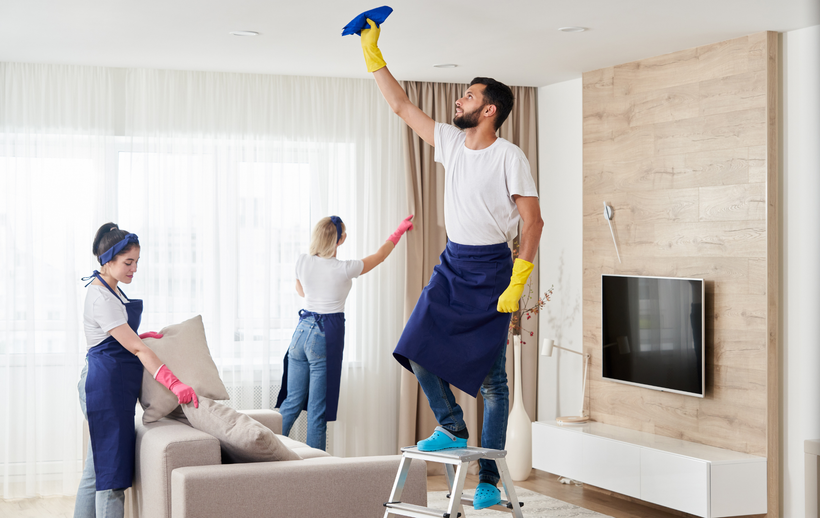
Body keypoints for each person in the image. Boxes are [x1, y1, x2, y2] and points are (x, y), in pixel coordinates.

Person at [354, 18, 544, 510]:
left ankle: (488, 481)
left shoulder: (510, 157)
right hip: (453, 263)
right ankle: (452, 427)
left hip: (493, 270)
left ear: (489, 109)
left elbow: (534, 222)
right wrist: (373, 52)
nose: (458, 101)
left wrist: (518, 281)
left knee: (493, 381)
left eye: (467, 96)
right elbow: (400, 105)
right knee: (415, 346)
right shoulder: (453, 144)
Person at [74, 223, 198, 518]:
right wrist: (174, 383)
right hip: (104, 387)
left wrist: (142, 335)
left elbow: (120, 338)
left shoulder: (111, 290)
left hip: (111, 384)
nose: (134, 269)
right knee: (112, 477)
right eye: (128, 262)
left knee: (97, 470)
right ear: (108, 261)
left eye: (137, 262)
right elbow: (136, 350)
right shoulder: (102, 298)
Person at [275, 214, 413, 450]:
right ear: (340, 240)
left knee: (292, 402)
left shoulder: (302, 261)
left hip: (300, 332)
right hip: (324, 335)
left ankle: (262, 454)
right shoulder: (345, 268)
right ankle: (317, 472)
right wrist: (398, 232)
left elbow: (301, 292)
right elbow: (379, 256)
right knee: (318, 410)